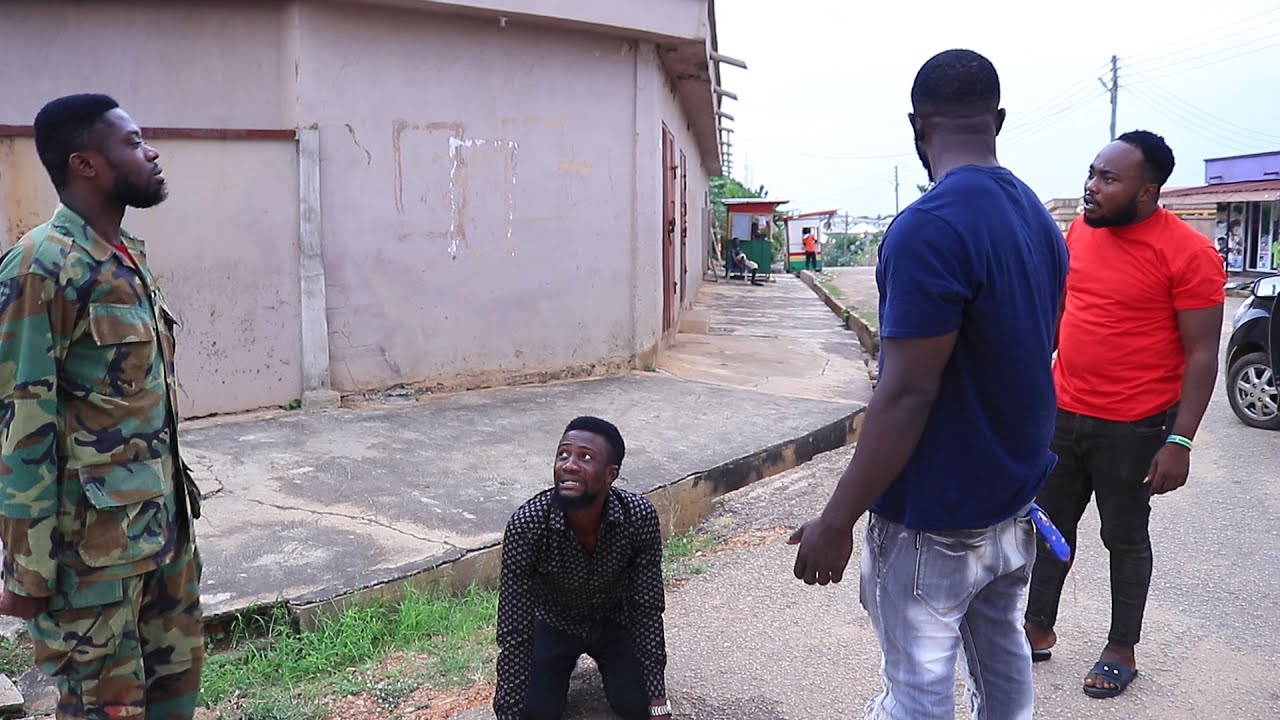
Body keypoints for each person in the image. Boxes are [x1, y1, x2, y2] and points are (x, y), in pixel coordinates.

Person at [788, 49, 1067, 719]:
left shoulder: (928, 228)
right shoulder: (1038, 218)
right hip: (1009, 508)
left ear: (918, 127)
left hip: (934, 522)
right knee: (1003, 673)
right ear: (997, 119)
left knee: (914, 695)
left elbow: (907, 391)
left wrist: (838, 518)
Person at [0, 94, 204, 718]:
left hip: (161, 535)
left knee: (176, 698)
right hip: (89, 559)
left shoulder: (126, 258)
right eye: (133, 142)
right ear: (85, 163)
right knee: (103, 708)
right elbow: (20, 418)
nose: (151, 153)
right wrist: (27, 571)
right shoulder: (42, 265)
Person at [1024, 130, 1225, 699]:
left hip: (1134, 426)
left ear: (1147, 191)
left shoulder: (1188, 253)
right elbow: (1064, 309)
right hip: (1064, 412)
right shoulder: (1082, 230)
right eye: (1091, 173)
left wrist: (1179, 442)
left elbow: (1203, 353)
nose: (1090, 188)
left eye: (1108, 179)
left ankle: (1121, 647)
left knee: (1125, 536)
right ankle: (1038, 628)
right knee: (1048, 527)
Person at [493, 416, 671, 720]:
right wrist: (509, 712)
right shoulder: (527, 524)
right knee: (533, 713)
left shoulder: (638, 517)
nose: (569, 465)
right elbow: (514, 628)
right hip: (554, 623)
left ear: (610, 474)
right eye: (563, 454)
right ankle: (561, 664)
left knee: (638, 706)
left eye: (585, 457)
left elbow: (647, 607)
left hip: (614, 621)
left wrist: (658, 701)